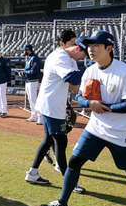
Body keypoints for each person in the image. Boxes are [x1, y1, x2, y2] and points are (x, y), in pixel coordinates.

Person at [40, 30, 126, 206]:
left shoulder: (125, 72)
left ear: (109, 48)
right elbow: (80, 97)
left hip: (121, 133)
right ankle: (62, 204)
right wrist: (89, 104)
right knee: (74, 162)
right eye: (89, 46)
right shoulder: (90, 70)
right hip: (96, 129)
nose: (90, 50)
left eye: (96, 46)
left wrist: (103, 107)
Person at [24, 29, 85, 192]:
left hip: (54, 104)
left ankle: (32, 173)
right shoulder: (60, 57)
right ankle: (69, 182)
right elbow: (72, 79)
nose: (76, 48)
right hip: (51, 106)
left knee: (48, 140)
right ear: (62, 44)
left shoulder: (69, 57)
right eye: (72, 44)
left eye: (76, 44)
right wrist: (92, 65)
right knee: (60, 141)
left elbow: (73, 86)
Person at [22, 43, 43, 123]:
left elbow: (34, 71)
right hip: (28, 81)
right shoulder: (29, 57)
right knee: (30, 100)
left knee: (34, 100)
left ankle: (40, 117)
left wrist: (24, 72)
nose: (25, 52)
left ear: (28, 50)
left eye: (25, 50)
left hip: (33, 82)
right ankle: (33, 115)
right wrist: (24, 73)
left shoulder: (35, 58)